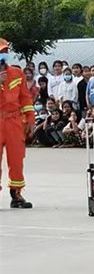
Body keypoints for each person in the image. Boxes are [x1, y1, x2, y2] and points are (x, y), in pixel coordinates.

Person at [0, 39, 35, 208]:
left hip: (14, 121)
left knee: (16, 158)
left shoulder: (16, 73)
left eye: (5, 51)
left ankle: (16, 193)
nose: (3, 54)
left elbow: (25, 98)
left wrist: (30, 119)